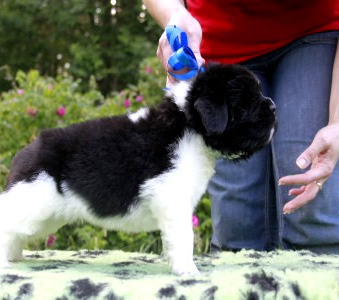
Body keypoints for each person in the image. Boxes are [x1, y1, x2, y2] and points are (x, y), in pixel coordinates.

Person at [144, 0, 339, 253]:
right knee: (236, 236)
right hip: (221, 46)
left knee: (312, 219)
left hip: (314, 32)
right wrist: (175, 14)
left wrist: (337, 122)